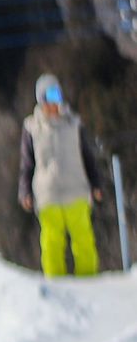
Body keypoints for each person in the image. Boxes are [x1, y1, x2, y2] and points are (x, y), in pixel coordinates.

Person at [19, 73, 109, 279]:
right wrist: (24, 191)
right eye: (49, 96)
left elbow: (88, 157)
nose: (54, 102)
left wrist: (96, 184)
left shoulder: (74, 124)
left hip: (77, 190)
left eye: (57, 95)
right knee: (51, 241)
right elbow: (26, 164)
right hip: (48, 194)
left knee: (83, 238)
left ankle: (88, 279)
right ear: (41, 100)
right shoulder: (31, 128)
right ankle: (56, 284)